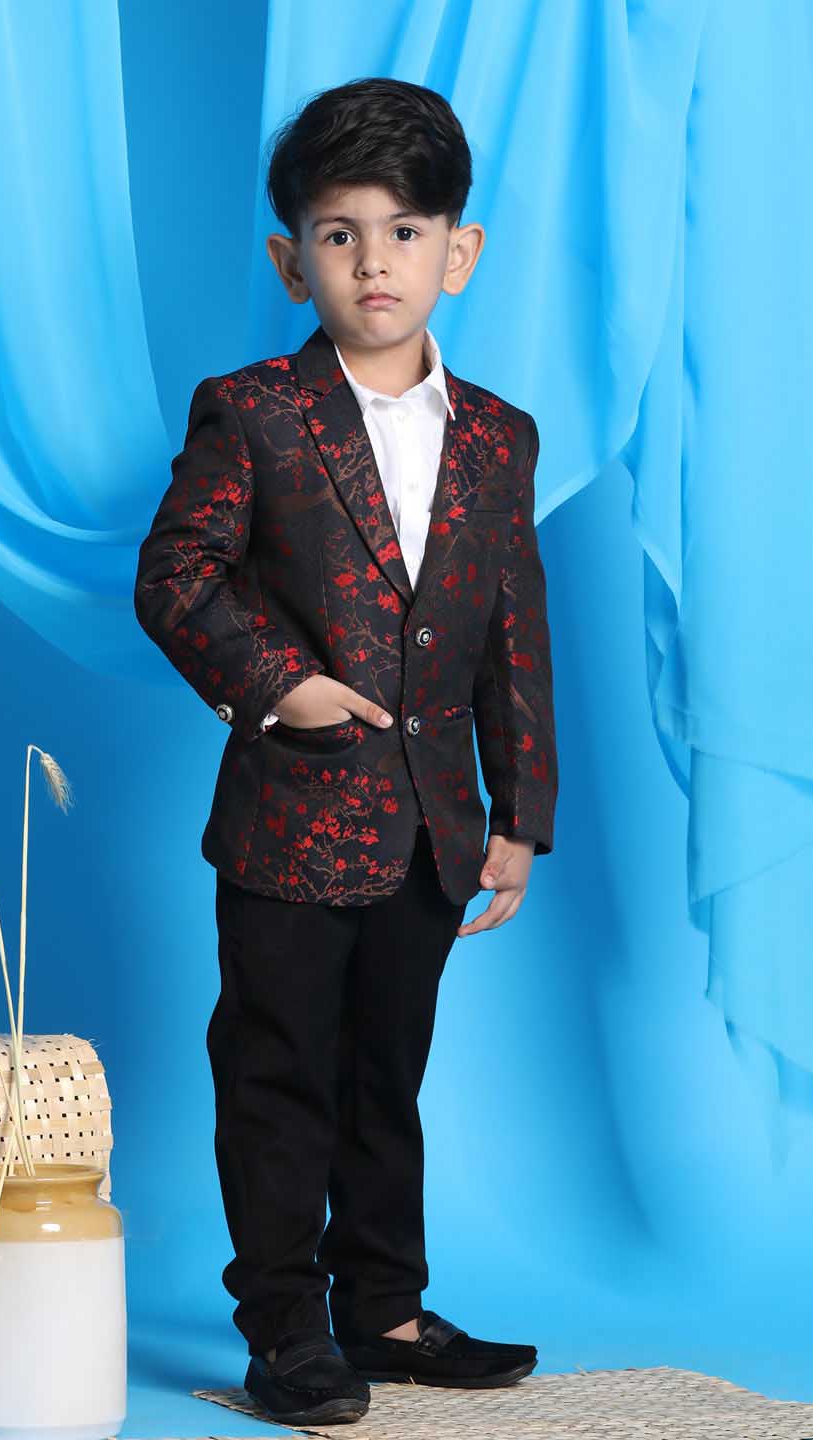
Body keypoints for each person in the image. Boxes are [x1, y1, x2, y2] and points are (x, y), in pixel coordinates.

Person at [134, 76, 557, 1428]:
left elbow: (513, 631)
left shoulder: (498, 439)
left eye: (405, 231)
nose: (375, 262)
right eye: (339, 234)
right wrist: (281, 687)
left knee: (389, 1078)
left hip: (435, 827)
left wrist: (519, 814)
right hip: (290, 823)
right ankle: (285, 1331)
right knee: (278, 1079)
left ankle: (384, 1309)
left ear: (457, 252)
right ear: (291, 260)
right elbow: (175, 579)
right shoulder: (253, 412)